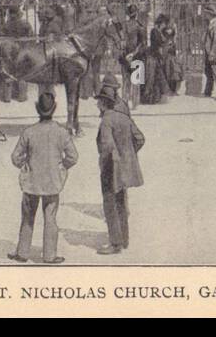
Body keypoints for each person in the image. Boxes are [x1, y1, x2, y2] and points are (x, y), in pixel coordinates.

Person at [9, 90, 79, 264]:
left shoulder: (29, 132)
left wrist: (25, 165)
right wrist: (61, 167)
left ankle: (23, 253)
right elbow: (73, 157)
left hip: (31, 183)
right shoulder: (61, 133)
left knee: (27, 217)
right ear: (54, 109)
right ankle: (49, 255)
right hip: (52, 183)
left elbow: (15, 157)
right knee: (50, 219)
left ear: (37, 109)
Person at [95, 82, 145, 255]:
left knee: (110, 205)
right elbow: (140, 138)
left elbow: (107, 146)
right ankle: (124, 239)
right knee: (121, 203)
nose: (97, 105)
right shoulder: (123, 117)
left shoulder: (106, 121)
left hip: (111, 168)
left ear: (103, 103)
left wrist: (106, 162)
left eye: (99, 101)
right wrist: (128, 156)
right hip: (123, 168)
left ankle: (115, 244)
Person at [140, 15, 174, 104]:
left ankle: (154, 98)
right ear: (161, 23)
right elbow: (158, 43)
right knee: (152, 78)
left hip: (156, 56)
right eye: (164, 24)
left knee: (156, 78)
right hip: (153, 56)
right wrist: (166, 41)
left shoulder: (158, 31)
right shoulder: (154, 31)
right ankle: (149, 98)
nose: (165, 26)